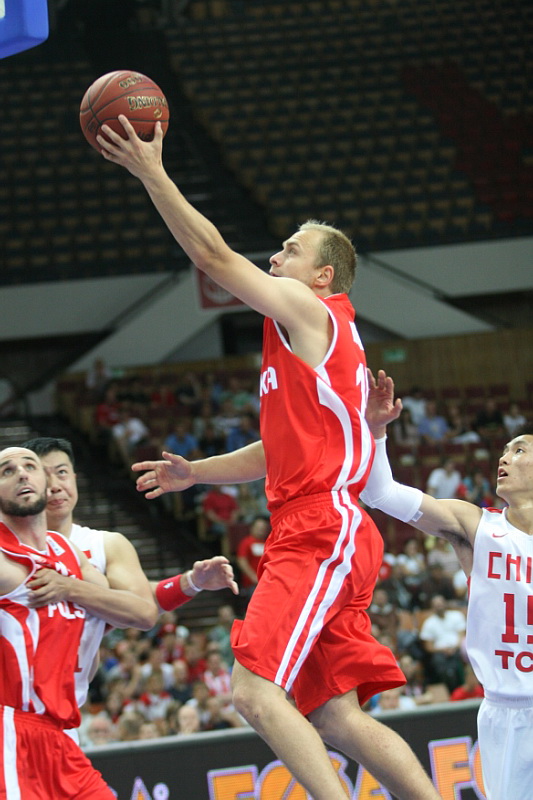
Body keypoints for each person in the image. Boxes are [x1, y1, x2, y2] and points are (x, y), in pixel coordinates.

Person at [99, 116, 441, 800]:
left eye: (290, 249)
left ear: (322, 274)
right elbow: (275, 449)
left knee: (253, 693)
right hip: (329, 525)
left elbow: (213, 257)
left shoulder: (310, 309)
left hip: (320, 527)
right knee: (334, 716)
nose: (276, 256)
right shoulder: (314, 340)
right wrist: (196, 473)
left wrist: (152, 173)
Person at [360, 367, 533, 799]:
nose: (504, 458)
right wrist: (376, 432)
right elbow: (380, 493)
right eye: (504, 451)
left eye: (519, 450)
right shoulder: (476, 526)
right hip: (506, 711)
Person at [23, 436, 238, 730]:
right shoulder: (11, 547)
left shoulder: (105, 544)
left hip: (64, 710)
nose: (55, 485)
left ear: (74, 477)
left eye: (62, 472)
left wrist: (192, 581)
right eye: (44, 476)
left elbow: (140, 606)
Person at [0, 446, 119, 798]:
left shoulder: (65, 550)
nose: (22, 473)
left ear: (45, 479)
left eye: (29, 466)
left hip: (60, 734)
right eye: (6, 470)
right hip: (11, 731)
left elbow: (133, 611)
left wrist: (188, 584)